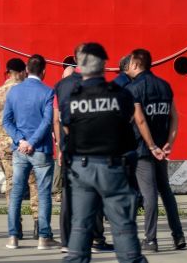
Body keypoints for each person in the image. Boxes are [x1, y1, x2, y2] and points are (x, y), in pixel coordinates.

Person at [61, 43, 146, 263]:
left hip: (82, 168)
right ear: (104, 66)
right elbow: (127, 121)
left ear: (80, 66)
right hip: (113, 167)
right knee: (124, 228)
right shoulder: (121, 95)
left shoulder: (72, 97)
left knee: (80, 227)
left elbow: (68, 128)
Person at [126, 48, 185, 252]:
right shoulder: (165, 86)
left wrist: (150, 146)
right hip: (162, 148)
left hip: (144, 149)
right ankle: (178, 235)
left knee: (149, 194)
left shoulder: (134, 89)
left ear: (135, 64)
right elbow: (175, 116)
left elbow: (140, 119)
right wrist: (169, 143)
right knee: (166, 191)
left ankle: (151, 240)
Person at [55, 45, 111, 253]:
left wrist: (61, 145)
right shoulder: (93, 84)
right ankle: (96, 239)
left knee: (68, 195)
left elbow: (57, 117)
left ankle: (66, 241)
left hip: (68, 147)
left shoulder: (61, 85)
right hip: (91, 148)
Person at [2, 53, 56, 250]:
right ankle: (43, 238)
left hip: (19, 150)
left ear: (26, 69)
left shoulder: (14, 92)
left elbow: (6, 121)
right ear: (43, 71)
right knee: (43, 194)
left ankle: (13, 237)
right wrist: (32, 142)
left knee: (16, 192)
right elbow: (47, 121)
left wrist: (21, 140)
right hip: (41, 149)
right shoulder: (48, 92)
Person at [0, 58, 39, 237]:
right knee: (33, 182)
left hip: (4, 145)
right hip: (25, 142)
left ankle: (15, 228)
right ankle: (38, 224)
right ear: (23, 71)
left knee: (12, 183)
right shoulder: (26, 91)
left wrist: (1, 137)